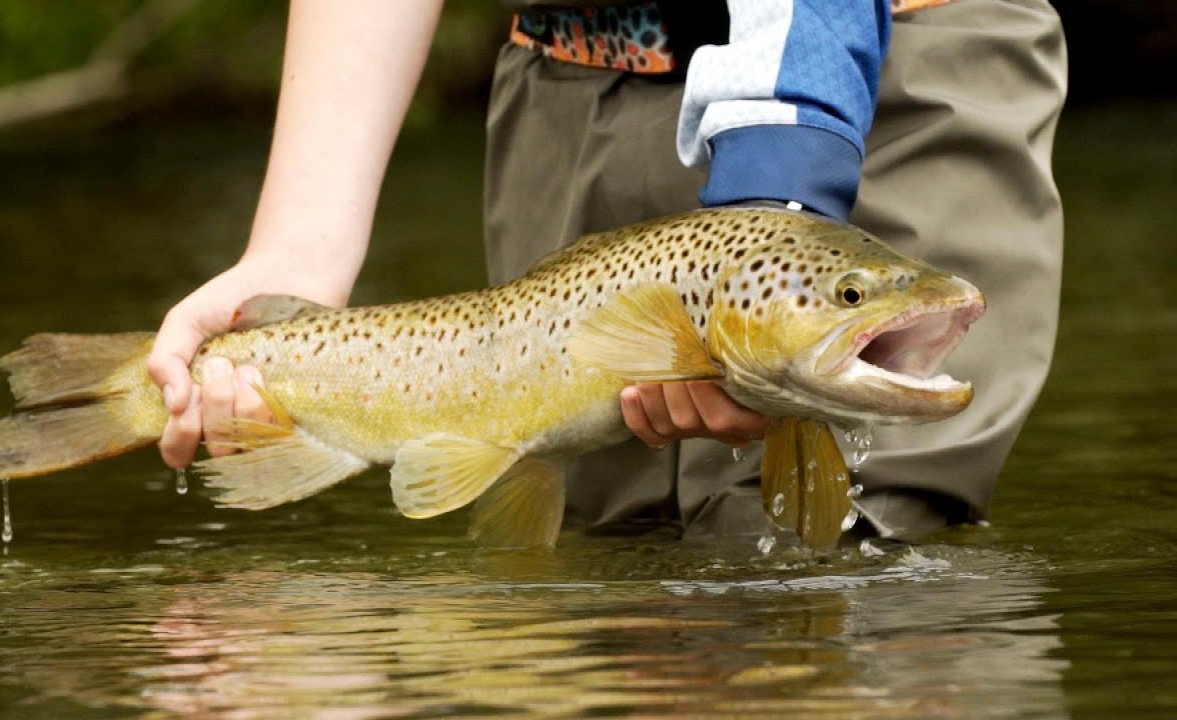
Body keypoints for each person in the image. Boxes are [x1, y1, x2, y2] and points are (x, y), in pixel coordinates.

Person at [147, 0, 1067, 542]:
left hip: (884, 65)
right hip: (574, 78)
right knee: (612, 605)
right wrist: (294, 250)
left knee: (845, 592)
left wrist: (774, 209)